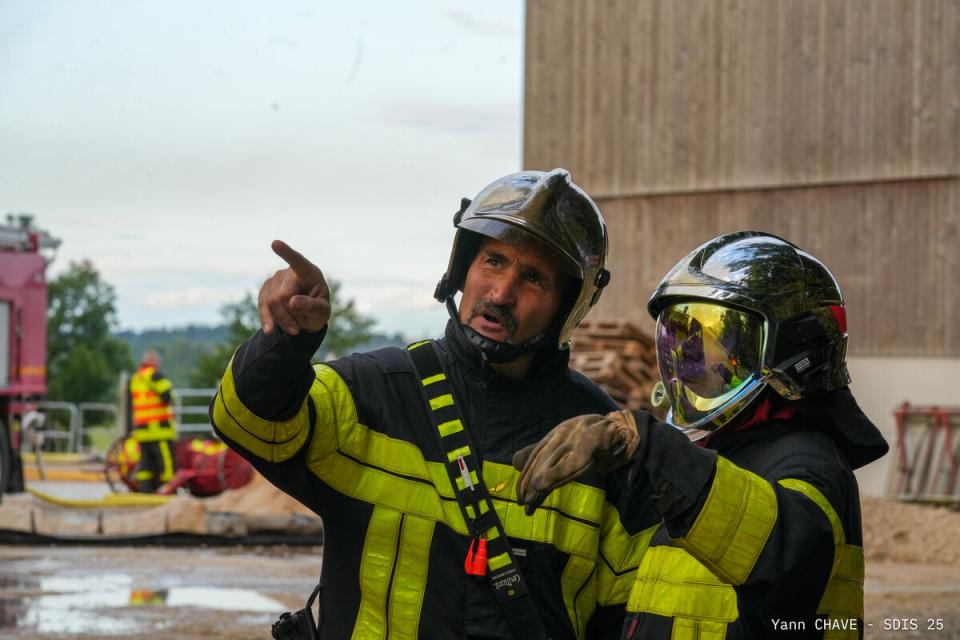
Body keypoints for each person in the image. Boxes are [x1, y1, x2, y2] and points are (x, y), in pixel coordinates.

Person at [210, 169, 659, 639]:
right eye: (493, 261)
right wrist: (286, 343)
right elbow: (246, 420)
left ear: (567, 305)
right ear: (462, 267)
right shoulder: (373, 392)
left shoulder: (600, 445)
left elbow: (633, 617)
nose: (501, 293)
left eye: (533, 279)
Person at [514, 231, 889, 639]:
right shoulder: (716, 458)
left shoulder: (811, 463)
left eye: (713, 337)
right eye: (678, 336)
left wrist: (658, 453)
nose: (687, 358)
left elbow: (783, 556)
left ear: (790, 348)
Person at [126, 350, 178, 492]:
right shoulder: (155, 376)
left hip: (142, 429)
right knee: (166, 461)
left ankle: (145, 489)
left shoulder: (135, 379)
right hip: (159, 429)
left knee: (145, 462)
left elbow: (131, 405)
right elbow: (167, 397)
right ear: (154, 361)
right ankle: (168, 488)